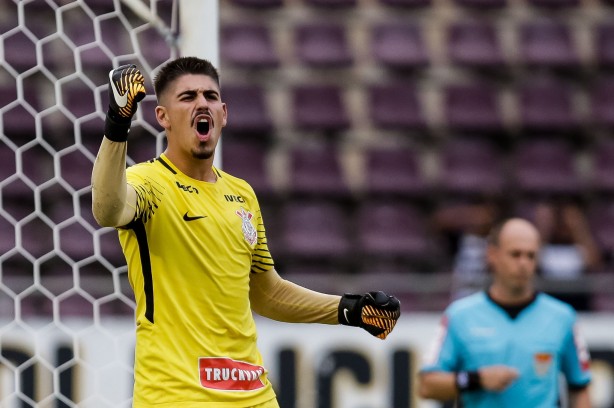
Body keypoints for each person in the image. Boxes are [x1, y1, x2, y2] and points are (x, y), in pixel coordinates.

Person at [91, 57, 401, 407]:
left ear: (223, 113)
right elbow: (107, 209)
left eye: (209, 96)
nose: (201, 103)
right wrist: (118, 122)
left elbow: (267, 293)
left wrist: (350, 309)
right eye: (188, 96)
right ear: (162, 117)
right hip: (177, 396)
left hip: (252, 394)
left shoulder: (242, 194)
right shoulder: (147, 183)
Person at [418, 218, 591, 408]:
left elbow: (580, 387)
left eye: (531, 256)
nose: (523, 263)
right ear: (492, 255)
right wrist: (477, 379)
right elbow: (427, 385)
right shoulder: (460, 316)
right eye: (515, 254)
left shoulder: (562, 317)